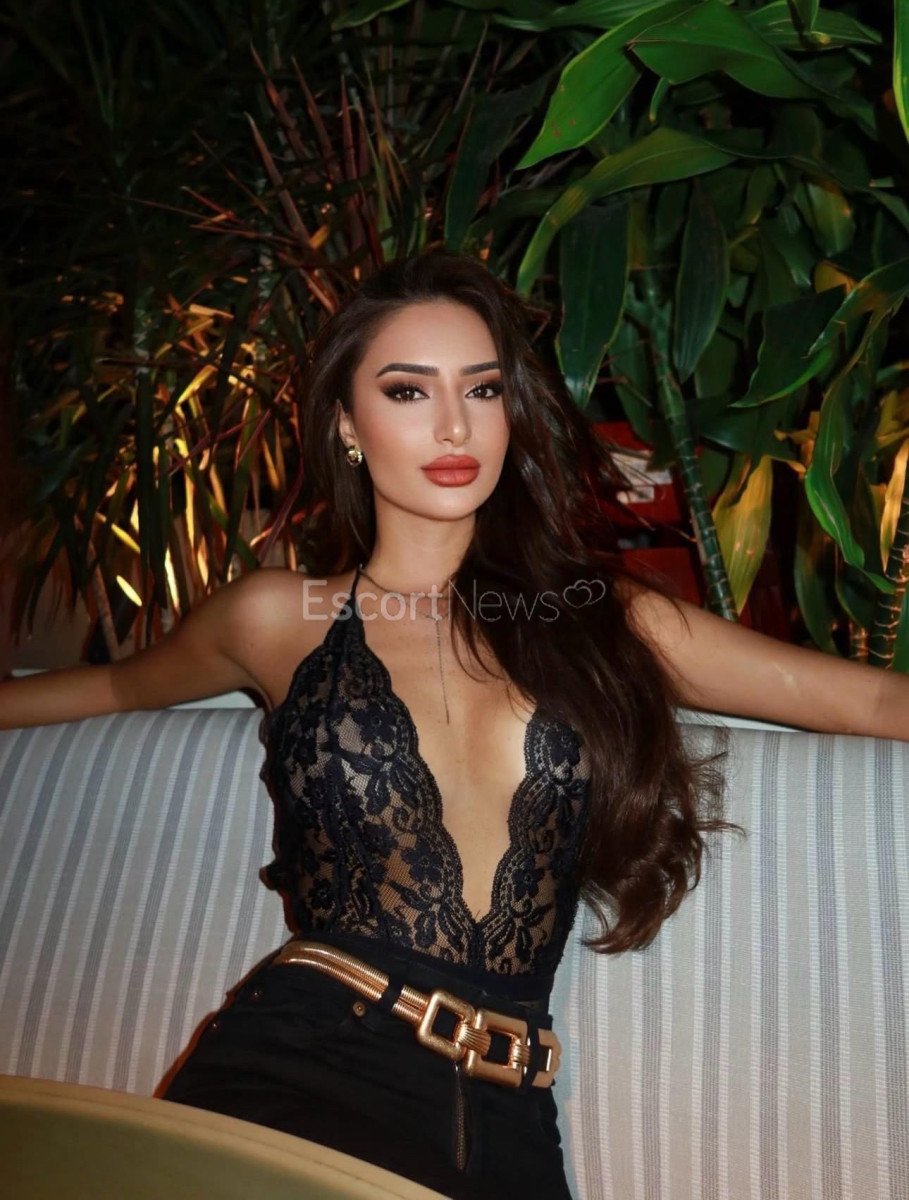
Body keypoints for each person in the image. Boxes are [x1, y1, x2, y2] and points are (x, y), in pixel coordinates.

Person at [2, 246, 905, 1199]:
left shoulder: (604, 619)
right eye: (406, 391)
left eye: (481, 389)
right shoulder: (274, 617)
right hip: (299, 1064)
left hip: (511, 1114)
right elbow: (115, 689)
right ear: (345, 423)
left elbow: (871, 700)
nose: (452, 425)